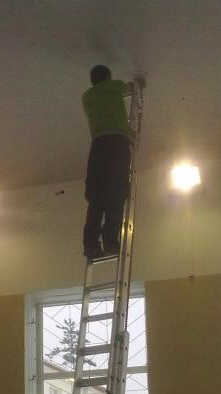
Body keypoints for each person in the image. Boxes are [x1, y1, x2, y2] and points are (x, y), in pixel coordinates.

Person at [82, 65, 135, 259]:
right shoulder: (114, 86)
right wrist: (138, 83)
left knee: (96, 199)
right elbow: (130, 87)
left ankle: (90, 246)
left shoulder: (87, 97)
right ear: (108, 76)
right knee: (117, 193)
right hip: (117, 143)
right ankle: (111, 241)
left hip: (97, 146)